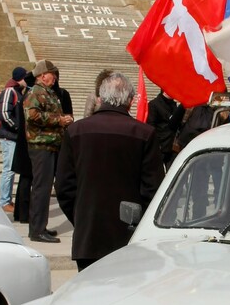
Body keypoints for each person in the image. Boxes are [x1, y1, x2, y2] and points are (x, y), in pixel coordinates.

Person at [56, 71, 164, 270]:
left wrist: (82, 217)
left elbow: (64, 186)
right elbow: (153, 189)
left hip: (89, 234)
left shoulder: (76, 131)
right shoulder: (144, 133)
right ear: (130, 101)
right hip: (128, 234)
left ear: (101, 98)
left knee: (89, 287)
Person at [24, 59, 73, 243]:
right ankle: (37, 230)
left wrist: (64, 119)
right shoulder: (35, 92)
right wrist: (59, 120)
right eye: (52, 74)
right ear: (42, 75)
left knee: (45, 189)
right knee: (41, 189)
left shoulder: (48, 93)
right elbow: (32, 115)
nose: (55, 77)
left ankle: (40, 226)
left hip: (51, 144)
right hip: (41, 146)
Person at [0, 66, 28, 213]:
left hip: (14, 137)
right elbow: (4, 114)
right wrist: (17, 128)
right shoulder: (10, 91)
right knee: (8, 170)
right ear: (20, 78)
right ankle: (4, 201)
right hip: (9, 137)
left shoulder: (18, 92)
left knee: (11, 169)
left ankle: (7, 199)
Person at [147, 89, 185, 171]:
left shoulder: (174, 105)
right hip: (160, 145)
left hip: (172, 146)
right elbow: (151, 126)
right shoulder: (154, 104)